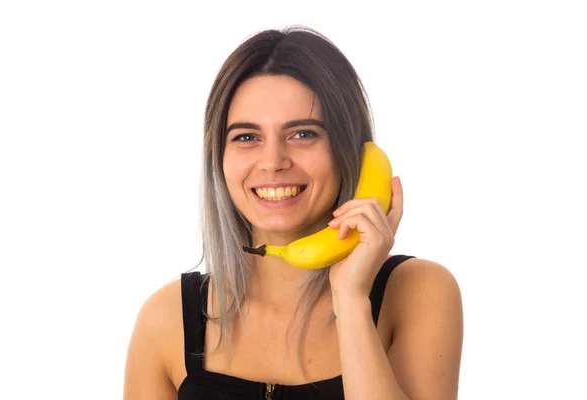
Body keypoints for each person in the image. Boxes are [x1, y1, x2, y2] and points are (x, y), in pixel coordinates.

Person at [123, 25, 463, 400]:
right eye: (246, 137)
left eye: (303, 134)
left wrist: (351, 301)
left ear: (349, 150)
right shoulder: (166, 319)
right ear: (219, 159)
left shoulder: (419, 292)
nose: (272, 162)